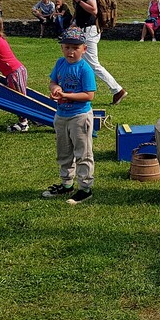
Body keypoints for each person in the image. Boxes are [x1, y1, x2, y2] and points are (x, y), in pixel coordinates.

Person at [43, 27, 98, 205]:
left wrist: (66, 95)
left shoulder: (85, 69)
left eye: (75, 48)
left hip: (79, 116)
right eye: (67, 47)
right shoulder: (60, 63)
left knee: (83, 152)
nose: (70, 52)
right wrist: (55, 89)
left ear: (84, 49)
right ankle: (66, 184)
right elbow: (53, 82)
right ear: (62, 48)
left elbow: (89, 95)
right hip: (61, 115)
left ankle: (85, 188)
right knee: (64, 151)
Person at [61, 0, 127, 105]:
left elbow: (94, 10)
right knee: (80, 63)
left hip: (89, 31)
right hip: (85, 30)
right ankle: (76, 92)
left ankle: (117, 90)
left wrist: (78, 1)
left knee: (93, 65)